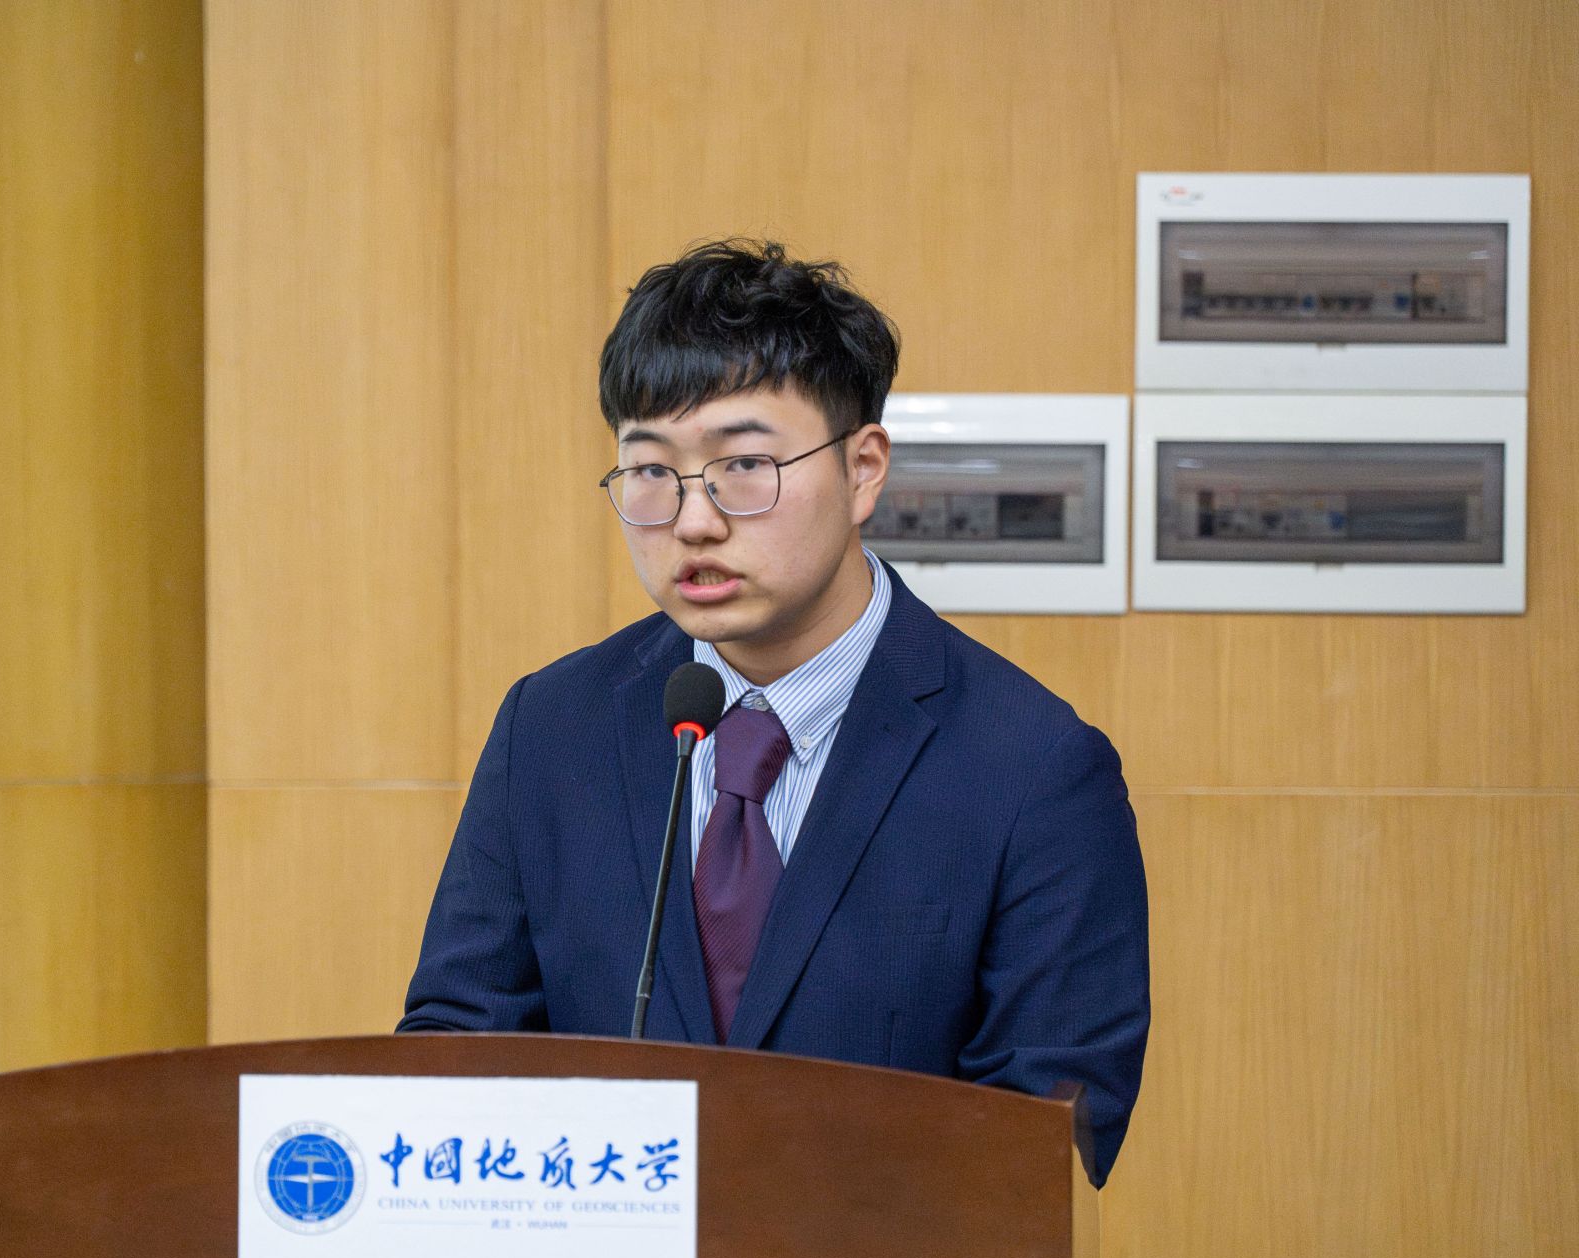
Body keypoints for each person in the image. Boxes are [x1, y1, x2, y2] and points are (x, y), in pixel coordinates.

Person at [398, 239, 1149, 1186]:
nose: (693, 520)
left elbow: (1047, 1144)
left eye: (745, 463)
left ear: (863, 469)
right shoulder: (550, 730)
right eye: (650, 471)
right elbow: (457, 1051)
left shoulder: (1033, 768)